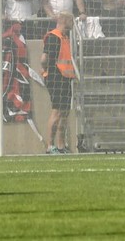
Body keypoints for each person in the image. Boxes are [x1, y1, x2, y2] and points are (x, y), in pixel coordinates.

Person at [41, 12, 78, 154]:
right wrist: (44, 69)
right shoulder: (53, 37)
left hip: (65, 77)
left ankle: (61, 146)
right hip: (56, 77)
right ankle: (50, 146)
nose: (73, 23)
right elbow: (44, 59)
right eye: (71, 20)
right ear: (64, 20)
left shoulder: (65, 38)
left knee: (64, 112)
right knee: (56, 112)